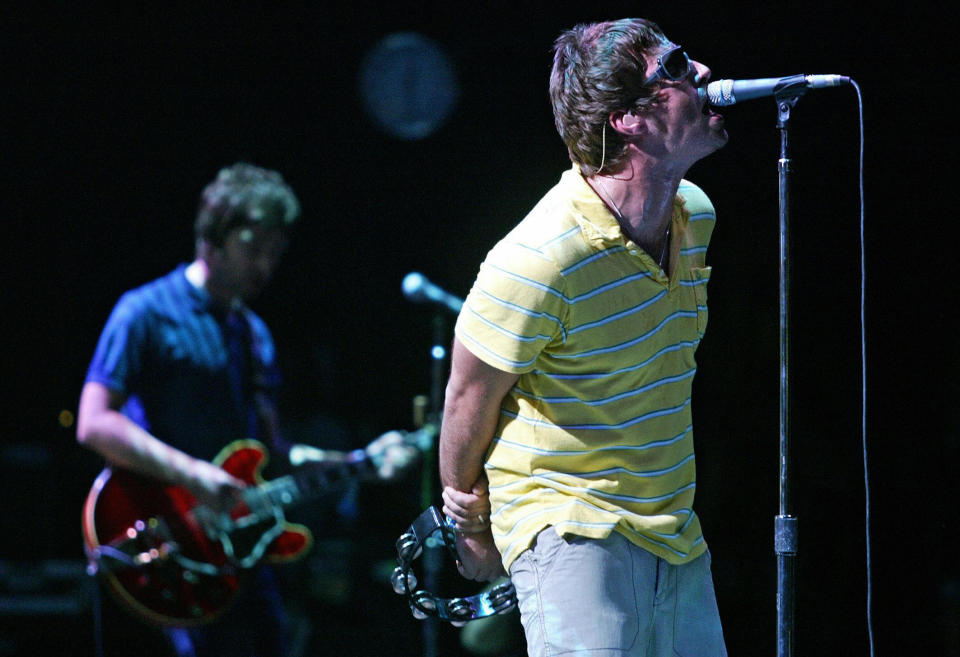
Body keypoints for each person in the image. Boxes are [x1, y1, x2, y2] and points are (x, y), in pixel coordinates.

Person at [439, 18, 729, 657]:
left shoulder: (694, 216)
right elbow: (466, 399)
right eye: (677, 66)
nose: (703, 72)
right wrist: (475, 530)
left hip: (671, 525)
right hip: (567, 520)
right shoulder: (541, 257)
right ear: (627, 118)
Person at [76, 162, 416, 657]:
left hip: (234, 557)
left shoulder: (254, 335)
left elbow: (272, 453)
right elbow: (94, 422)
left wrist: (359, 463)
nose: (264, 267)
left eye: (274, 254)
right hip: (161, 540)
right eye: (252, 249)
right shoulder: (143, 312)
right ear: (213, 237)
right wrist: (194, 475)